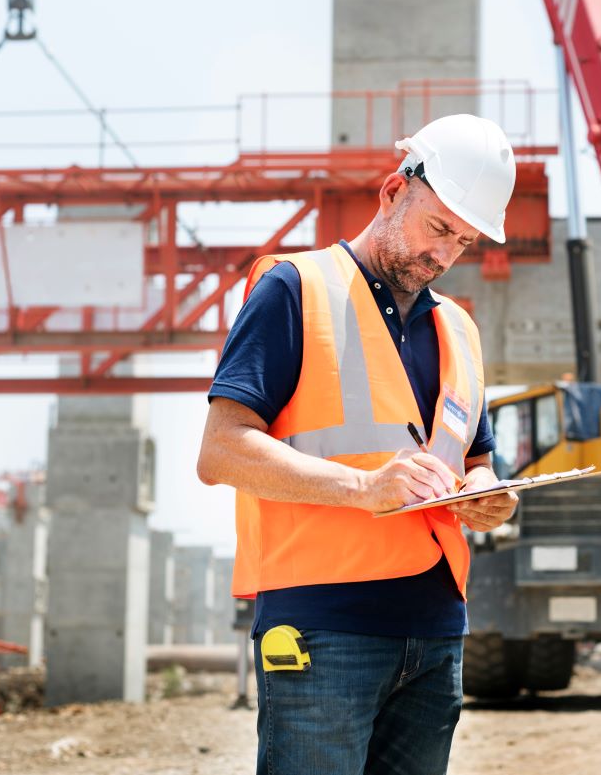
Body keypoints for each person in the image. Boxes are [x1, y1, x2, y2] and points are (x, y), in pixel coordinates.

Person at [196, 114, 520, 775]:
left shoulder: (460, 330)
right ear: (393, 191)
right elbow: (221, 449)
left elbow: (476, 459)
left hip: (435, 634)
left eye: (464, 240)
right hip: (324, 625)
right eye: (438, 227)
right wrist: (363, 488)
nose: (445, 253)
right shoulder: (296, 288)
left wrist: (490, 494)